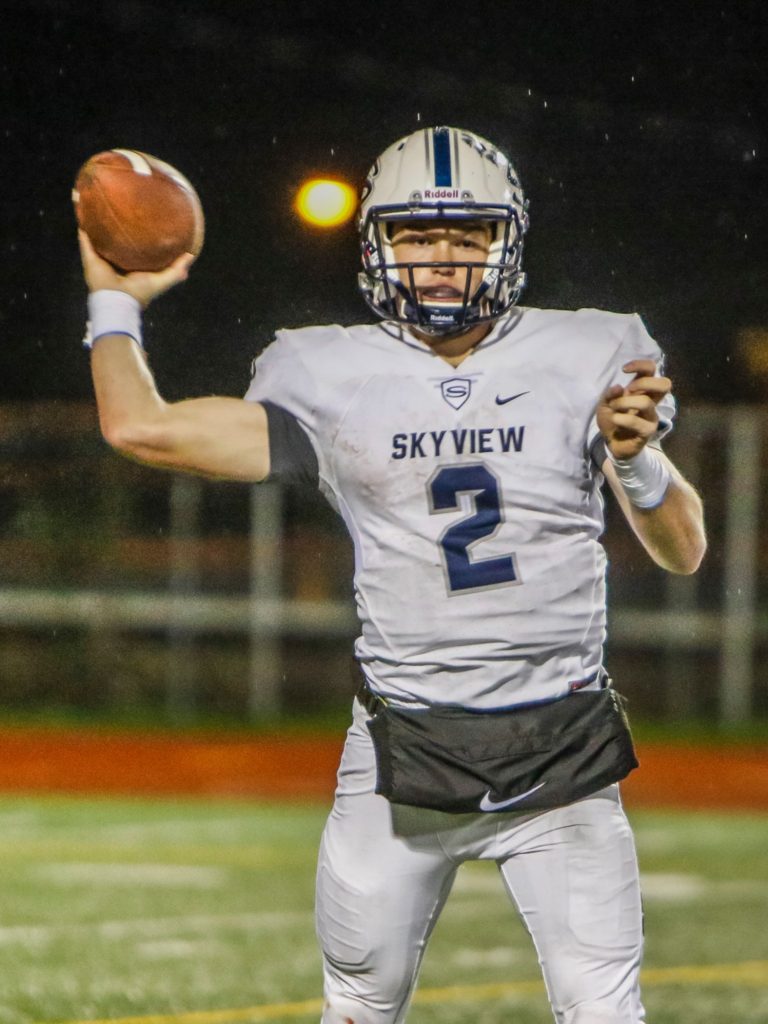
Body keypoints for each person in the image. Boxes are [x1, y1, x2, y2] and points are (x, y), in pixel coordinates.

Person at [78, 126, 706, 1024]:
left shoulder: (592, 351)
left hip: (562, 753)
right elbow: (140, 428)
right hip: (402, 750)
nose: (441, 258)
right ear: (377, 243)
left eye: (467, 234)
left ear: (508, 240)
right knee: (361, 1006)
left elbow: (684, 551)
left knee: (606, 1013)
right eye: (416, 235)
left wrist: (642, 466)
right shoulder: (322, 372)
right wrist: (113, 302)